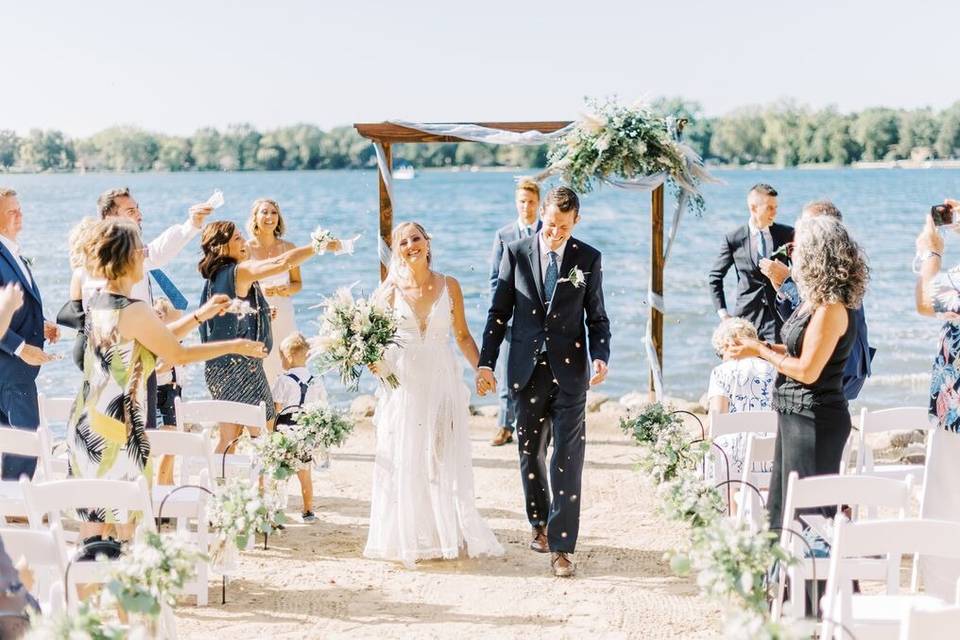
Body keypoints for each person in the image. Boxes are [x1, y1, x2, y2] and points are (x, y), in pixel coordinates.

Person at [68, 218, 266, 543]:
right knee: (127, 523)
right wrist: (236, 345)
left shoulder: (101, 301)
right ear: (126, 257)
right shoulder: (135, 309)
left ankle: (93, 586)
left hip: (89, 420)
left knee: (96, 523)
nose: (145, 254)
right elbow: (177, 355)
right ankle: (123, 586)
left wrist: (200, 315)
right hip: (118, 428)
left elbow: (153, 339)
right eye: (140, 249)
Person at [476, 186, 611, 578]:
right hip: (526, 370)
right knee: (530, 452)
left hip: (571, 373)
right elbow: (498, 312)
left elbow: (597, 317)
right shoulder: (516, 253)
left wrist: (600, 355)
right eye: (550, 225)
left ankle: (563, 545)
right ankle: (538, 522)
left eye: (563, 227)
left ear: (576, 222)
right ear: (542, 217)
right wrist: (486, 363)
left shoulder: (588, 258)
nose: (555, 233)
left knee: (568, 458)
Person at [364, 221, 503, 567]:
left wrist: (482, 368)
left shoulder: (449, 285)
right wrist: (373, 363)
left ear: (428, 242)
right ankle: (406, 535)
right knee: (404, 456)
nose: (411, 245)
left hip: (442, 381)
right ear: (396, 250)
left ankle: (444, 533)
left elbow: (463, 336)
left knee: (441, 455)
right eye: (403, 242)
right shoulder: (389, 291)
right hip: (404, 384)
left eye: (416, 238)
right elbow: (369, 340)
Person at [727, 215, 868, 532]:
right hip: (794, 414)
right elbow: (797, 351)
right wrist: (758, 343)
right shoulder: (812, 300)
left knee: (808, 517)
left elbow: (807, 370)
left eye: (797, 246)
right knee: (782, 507)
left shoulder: (832, 307)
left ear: (817, 253)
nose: (791, 252)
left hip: (815, 421)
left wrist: (759, 353)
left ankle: (818, 581)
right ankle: (783, 580)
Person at [198, 221, 336, 453]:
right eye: (237, 239)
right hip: (242, 368)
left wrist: (260, 314)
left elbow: (224, 319)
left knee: (229, 436)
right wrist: (318, 246)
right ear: (221, 248)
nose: (243, 243)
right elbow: (281, 263)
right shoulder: (238, 271)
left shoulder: (214, 277)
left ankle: (220, 485)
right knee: (264, 435)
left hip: (217, 366)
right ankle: (264, 486)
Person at [90, 188, 215, 432]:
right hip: (118, 367)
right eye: (130, 211)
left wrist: (192, 224)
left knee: (143, 441)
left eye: (138, 209)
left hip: (142, 363)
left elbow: (156, 254)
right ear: (109, 218)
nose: (139, 215)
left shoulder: (132, 252)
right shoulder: (102, 259)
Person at [760, 200, 875, 400]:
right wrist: (782, 288)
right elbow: (801, 323)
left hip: (842, 366)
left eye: (806, 226)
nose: (800, 235)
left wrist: (787, 282)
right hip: (833, 366)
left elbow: (819, 315)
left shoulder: (840, 269)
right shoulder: (829, 263)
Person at [914, 197, 960, 599]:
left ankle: (944, 598)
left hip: (955, 411)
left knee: (946, 500)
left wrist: (931, 252)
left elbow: (927, 300)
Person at [0, 187, 59, 482]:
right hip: (11, 368)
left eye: (19, 209)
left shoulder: (12, 252)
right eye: (13, 211)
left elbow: (16, 308)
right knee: (25, 442)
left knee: (10, 440)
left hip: (14, 368)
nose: (20, 215)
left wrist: (41, 322)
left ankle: (9, 511)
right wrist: (22, 347)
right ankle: (17, 510)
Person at [489, 178, 542, 447]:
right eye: (522, 201)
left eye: (531, 202)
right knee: (508, 374)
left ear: (539, 203)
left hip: (541, 322)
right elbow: (495, 280)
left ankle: (544, 427)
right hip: (512, 319)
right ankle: (504, 426)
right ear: (516, 203)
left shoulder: (548, 231)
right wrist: (502, 315)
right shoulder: (504, 235)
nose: (526, 207)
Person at [708, 183, 794, 342]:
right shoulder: (734, 238)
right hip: (745, 319)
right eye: (769, 208)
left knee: (778, 366)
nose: (775, 212)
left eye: (776, 207)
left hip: (779, 318)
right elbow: (715, 277)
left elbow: (801, 270)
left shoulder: (787, 234)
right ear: (754, 208)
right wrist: (724, 315)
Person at [707, 317, 775, 479]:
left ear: (726, 346)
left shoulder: (721, 372)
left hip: (733, 459)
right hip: (771, 456)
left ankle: (732, 503)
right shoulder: (775, 368)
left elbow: (717, 416)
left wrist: (697, 437)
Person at [272, 332, 327, 524]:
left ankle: (277, 510)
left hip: (285, 430)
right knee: (305, 473)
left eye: (281, 357)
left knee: (281, 473)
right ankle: (308, 511)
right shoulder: (316, 380)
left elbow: (277, 408)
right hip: (305, 431)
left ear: (288, 357)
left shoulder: (283, 380)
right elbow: (321, 406)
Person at [247, 198, 303, 385]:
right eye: (264, 212)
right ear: (255, 217)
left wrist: (287, 289)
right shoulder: (245, 249)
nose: (270, 217)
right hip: (257, 315)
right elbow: (239, 286)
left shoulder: (289, 248)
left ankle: (290, 405)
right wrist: (261, 289)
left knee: (289, 358)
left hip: (285, 313)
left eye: (273, 212)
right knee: (263, 361)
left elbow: (297, 283)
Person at [153, 297, 182, 486]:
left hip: (174, 390)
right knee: (170, 442)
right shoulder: (156, 342)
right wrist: (165, 365)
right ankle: (162, 482)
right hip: (163, 391)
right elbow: (154, 370)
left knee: (175, 440)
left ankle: (169, 480)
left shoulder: (171, 340)